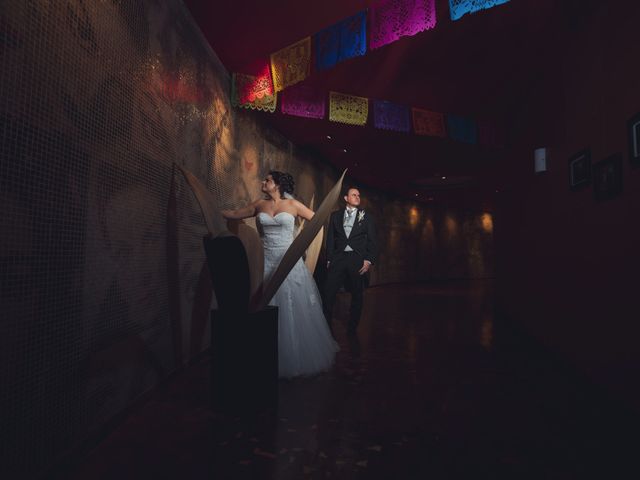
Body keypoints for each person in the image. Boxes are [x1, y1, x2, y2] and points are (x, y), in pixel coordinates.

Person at [222, 171, 338, 378]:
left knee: (292, 305)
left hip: (288, 261)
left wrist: (301, 241)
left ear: (277, 185)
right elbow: (234, 214)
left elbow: (317, 220)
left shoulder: (293, 206)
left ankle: (293, 355)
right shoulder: (259, 204)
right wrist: (217, 212)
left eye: (267, 180)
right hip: (264, 261)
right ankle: (260, 355)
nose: (263, 182)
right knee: (263, 303)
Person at [323, 187, 378, 335]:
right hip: (338, 259)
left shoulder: (366, 216)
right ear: (346, 198)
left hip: (357, 259)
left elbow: (373, 241)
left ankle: (352, 328)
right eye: (354, 195)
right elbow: (330, 239)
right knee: (328, 293)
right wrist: (329, 258)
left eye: (359, 195)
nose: (357, 197)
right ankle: (327, 327)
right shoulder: (335, 216)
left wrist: (368, 260)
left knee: (357, 294)